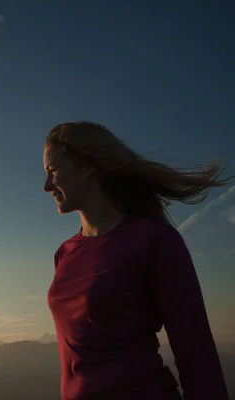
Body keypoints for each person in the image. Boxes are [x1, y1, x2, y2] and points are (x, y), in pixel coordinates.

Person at [43, 121, 232, 400]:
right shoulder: (64, 254)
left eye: (53, 170)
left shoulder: (154, 241)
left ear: (88, 165)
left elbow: (196, 353)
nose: (47, 186)